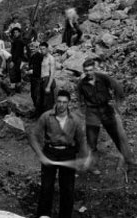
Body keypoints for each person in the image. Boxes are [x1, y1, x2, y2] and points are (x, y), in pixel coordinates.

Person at [29, 90, 89, 218]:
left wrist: (84, 158)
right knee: (46, 187)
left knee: (67, 189)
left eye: (64, 102)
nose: (61, 105)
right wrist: (41, 155)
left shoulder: (75, 120)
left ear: (69, 104)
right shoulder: (46, 116)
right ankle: (44, 215)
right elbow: (33, 135)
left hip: (68, 153)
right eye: (59, 101)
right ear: (56, 101)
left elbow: (82, 140)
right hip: (50, 152)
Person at [77, 59, 136, 169]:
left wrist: (117, 104)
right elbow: (79, 100)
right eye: (86, 71)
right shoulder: (81, 84)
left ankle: (130, 162)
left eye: (90, 70)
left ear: (94, 69)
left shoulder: (103, 78)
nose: (88, 73)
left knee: (118, 137)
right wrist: (84, 112)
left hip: (106, 110)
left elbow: (117, 87)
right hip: (92, 112)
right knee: (91, 141)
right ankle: (93, 166)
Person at [26, 42, 44, 117]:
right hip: (33, 78)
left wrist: (32, 71)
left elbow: (42, 68)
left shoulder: (40, 56)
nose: (33, 49)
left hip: (38, 78)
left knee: (37, 96)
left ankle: (39, 113)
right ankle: (37, 111)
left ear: (38, 48)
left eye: (35, 48)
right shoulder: (33, 56)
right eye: (32, 48)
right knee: (33, 95)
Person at [38, 42, 56, 115]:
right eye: (41, 49)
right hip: (41, 80)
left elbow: (52, 73)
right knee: (42, 100)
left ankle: (50, 118)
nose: (42, 50)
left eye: (44, 49)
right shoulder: (42, 57)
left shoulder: (51, 58)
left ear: (47, 48)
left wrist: (48, 86)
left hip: (47, 79)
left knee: (48, 101)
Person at [10, 27, 25, 93]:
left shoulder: (18, 40)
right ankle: (18, 89)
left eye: (16, 32)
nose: (15, 34)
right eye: (14, 33)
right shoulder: (17, 40)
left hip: (17, 59)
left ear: (19, 33)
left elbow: (17, 52)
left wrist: (13, 61)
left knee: (14, 72)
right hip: (18, 58)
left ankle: (15, 89)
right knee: (17, 72)